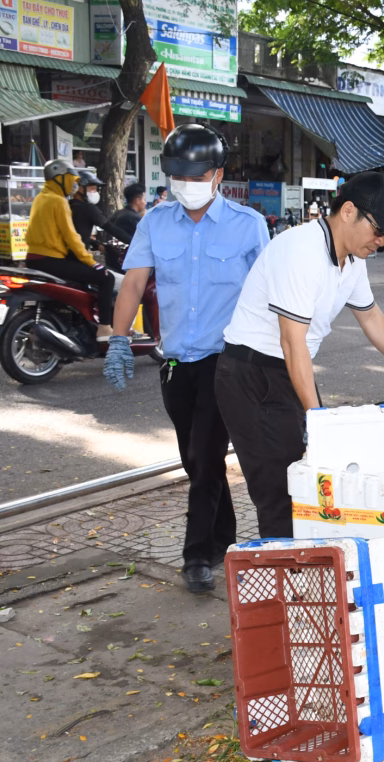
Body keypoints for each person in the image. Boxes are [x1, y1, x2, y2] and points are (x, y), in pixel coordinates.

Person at [216, 171, 384, 540]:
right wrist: (314, 415)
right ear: (349, 211)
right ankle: (287, 586)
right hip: (251, 375)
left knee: (307, 485)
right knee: (281, 494)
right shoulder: (300, 250)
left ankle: (305, 574)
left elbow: (369, 314)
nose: (382, 241)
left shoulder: (353, 259)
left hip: (288, 370)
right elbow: (292, 343)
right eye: (378, 230)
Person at [104, 124, 269, 593]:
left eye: (195, 176)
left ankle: (196, 555)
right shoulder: (155, 222)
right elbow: (134, 283)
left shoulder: (248, 225)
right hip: (175, 364)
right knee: (197, 460)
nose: (186, 185)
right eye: (178, 175)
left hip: (229, 361)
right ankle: (223, 536)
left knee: (205, 451)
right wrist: (119, 339)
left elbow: (270, 293)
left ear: (217, 175)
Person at [25, 159, 117, 340]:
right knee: (107, 278)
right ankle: (105, 328)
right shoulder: (58, 201)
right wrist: (90, 261)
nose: (74, 185)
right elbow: (71, 236)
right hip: (51, 260)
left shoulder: (40, 198)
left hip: (33, 258)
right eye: (71, 180)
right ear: (60, 179)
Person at [69, 170, 132, 251]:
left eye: (96, 189)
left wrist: (95, 243)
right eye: (92, 189)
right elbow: (110, 227)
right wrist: (132, 241)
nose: (95, 192)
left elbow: (77, 234)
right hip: (77, 256)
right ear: (80, 189)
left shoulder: (69, 205)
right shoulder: (88, 208)